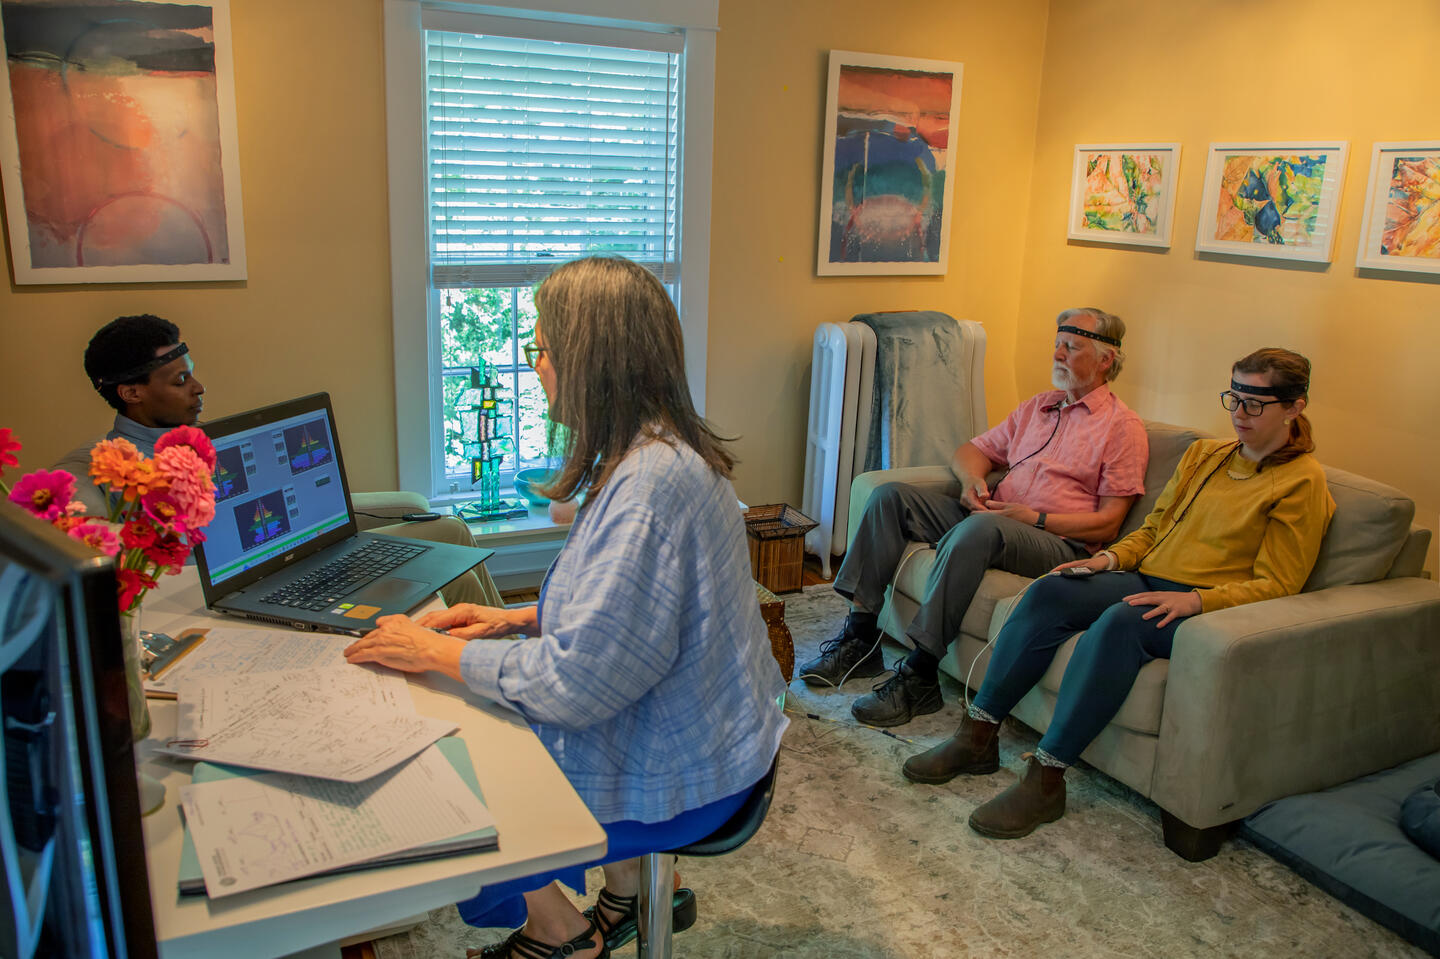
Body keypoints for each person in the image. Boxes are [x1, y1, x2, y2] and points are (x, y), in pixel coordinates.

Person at [343, 256, 787, 959]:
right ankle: (628, 893)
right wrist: (513, 619)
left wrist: (435, 650)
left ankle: (561, 935)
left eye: (543, 350)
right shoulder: (659, 452)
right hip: (714, 730)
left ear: (591, 360)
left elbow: (575, 685)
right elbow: (636, 612)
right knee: (471, 704)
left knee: (446, 775)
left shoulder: (648, 489)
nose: (537, 367)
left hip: (690, 773)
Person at [902, 348, 1334, 840]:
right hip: (1146, 576)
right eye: (1233, 397)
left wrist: (1196, 601)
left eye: (1255, 403)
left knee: (1121, 623)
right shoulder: (1207, 456)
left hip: (1206, 606)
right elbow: (1153, 529)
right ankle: (977, 736)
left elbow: (1280, 584)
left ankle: (1046, 778)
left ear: (1295, 407)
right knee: (1052, 592)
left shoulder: (1303, 482)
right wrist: (1105, 560)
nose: (1239, 413)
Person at [799, 308, 1150, 728]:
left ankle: (920, 674)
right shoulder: (1038, 407)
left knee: (979, 528)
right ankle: (860, 638)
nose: (1057, 354)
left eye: (1071, 347)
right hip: (994, 519)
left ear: (1106, 359)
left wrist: (1034, 517)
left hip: (1056, 542)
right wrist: (971, 482)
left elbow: (1108, 524)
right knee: (889, 497)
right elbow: (972, 451)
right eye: (1057, 344)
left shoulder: (1122, 427)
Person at [60, 314, 502, 607]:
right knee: (456, 568)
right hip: (269, 579)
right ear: (131, 392)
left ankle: (514, 654)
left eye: (191, 373)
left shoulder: (199, 440)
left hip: (304, 549)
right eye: (179, 380)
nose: (198, 387)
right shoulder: (124, 470)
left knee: (449, 527)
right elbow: (175, 564)